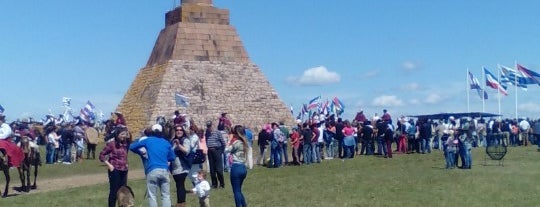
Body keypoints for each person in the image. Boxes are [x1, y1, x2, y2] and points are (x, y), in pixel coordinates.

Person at [130, 124, 176, 207]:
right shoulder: (166, 142)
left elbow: (132, 147)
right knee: (165, 195)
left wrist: (139, 140)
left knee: (152, 196)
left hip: (152, 169)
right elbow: (172, 157)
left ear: (152, 132)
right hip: (164, 170)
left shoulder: (148, 140)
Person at [99, 126, 130, 207]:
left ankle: (122, 205)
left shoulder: (125, 144)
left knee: (123, 190)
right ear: (117, 134)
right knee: (114, 191)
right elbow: (101, 155)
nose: (124, 136)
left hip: (124, 169)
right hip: (115, 169)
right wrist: (109, 165)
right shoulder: (111, 144)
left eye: (125, 134)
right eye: (122, 134)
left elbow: (125, 155)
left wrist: (126, 163)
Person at [225, 125, 248, 207]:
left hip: (236, 168)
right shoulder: (245, 142)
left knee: (236, 191)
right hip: (243, 168)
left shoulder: (237, 143)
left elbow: (226, 150)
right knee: (239, 190)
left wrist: (229, 140)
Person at [169, 125, 192, 207]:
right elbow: (169, 152)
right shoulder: (172, 141)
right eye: (177, 130)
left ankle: (181, 203)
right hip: (174, 167)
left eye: (181, 130)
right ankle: (180, 202)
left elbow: (187, 151)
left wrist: (178, 145)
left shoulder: (185, 140)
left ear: (183, 131)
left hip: (183, 166)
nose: (179, 131)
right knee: (178, 185)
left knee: (180, 184)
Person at [205, 121, 226, 189]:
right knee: (212, 169)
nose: (209, 127)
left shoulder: (217, 132)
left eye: (210, 126)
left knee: (219, 169)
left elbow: (223, 143)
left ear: (212, 125)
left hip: (217, 150)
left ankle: (222, 184)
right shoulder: (207, 133)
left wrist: (221, 151)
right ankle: (214, 184)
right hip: (210, 151)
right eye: (208, 126)